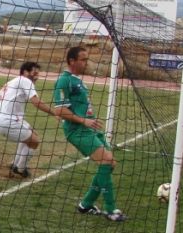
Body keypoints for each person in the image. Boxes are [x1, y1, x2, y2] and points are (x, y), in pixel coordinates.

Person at [53, 46, 126, 221]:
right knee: (106, 161)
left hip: (89, 129)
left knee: (111, 163)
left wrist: (89, 121)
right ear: (72, 61)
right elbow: (60, 111)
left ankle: (85, 205)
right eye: (83, 59)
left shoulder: (78, 80)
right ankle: (111, 210)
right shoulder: (64, 81)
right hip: (77, 131)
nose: (87, 62)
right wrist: (84, 120)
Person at [0, 62, 56, 177]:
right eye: (34, 73)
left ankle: (15, 164)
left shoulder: (10, 83)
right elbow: (36, 102)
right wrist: (54, 113)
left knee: (30, 133)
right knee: (34, 141)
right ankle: (21, 169)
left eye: (38, 73)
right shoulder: (25, 80)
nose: (36, 76)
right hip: (8, 120)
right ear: (25, 72)